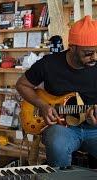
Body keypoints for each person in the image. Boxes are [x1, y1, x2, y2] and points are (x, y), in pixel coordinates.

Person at [16, 15, 97, 168]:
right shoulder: (49, 64)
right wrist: (42, 105)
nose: (95, 57)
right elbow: (22, 85)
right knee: (56, 142)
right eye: (88, 53)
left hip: (94, 128)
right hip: (62, 128)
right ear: (72, 47)